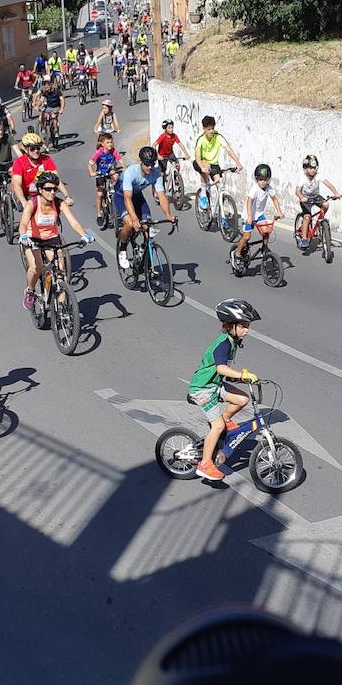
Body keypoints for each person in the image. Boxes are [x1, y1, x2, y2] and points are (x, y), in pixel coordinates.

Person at [187, 299, 262, 481]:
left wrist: (241, 377)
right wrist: (242, 375)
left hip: (215, 385)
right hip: (203, 389)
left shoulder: (232, 342)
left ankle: (226, 420)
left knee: (242, 399)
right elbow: (221, 368)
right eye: (243, 325)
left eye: (248, 326)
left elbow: (225, 374)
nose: (247, 329)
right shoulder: (224, 343)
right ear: (231, 326)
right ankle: (205, 464)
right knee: (217, 425)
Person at [19, 172, 94, 311]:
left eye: (55, 189)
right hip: (31, 238)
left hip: (51, 239)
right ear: (40, 189)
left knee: (61, 273)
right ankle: (30, 291)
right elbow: (23, 223)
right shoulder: (32, 203)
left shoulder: (59, 203)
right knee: (37, 267)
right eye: (48, 189)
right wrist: (23, 236)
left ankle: (61, 309)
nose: (52, 192)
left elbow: (74, 222)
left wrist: (84, 235)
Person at [116, 146, 177, 270]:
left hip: (137, 196)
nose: (150, 167)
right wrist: (133, 219)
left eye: (152, 164)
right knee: (129, 224)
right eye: (147, 164)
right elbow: (127, 198)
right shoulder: (130, 172)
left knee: (147, 226)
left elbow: (162, 196)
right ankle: (122, 249)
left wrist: (168, 215)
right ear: (141, 162)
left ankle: (143, 252)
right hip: (122, 197)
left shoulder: (156, 173)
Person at [231, 164, 284, 272]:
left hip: (259, 214)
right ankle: (236, 254)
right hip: (248, 215)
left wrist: (279, 212)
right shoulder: (254, 189)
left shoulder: (269, 188)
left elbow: (274, 199)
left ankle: (265, 248)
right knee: (246, 237)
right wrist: (250, 217)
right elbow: (249, 202)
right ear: (256, 179)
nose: (263, 182)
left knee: (266, 231)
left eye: (265, 179)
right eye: (260, 179)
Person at [192, 115, 244, 211]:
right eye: (209, 129)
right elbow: (197, 157)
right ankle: (203, 194)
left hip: (214, 165)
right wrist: (202, 168)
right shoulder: (201, 139)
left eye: (212, 128)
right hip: (200, 163)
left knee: (220, 186)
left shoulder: (218, 137)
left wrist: (238, 163)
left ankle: (221, 213)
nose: (211, 131)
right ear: (204, 129)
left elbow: (229, 149)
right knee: (205, 166)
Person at [11, 132, 71, 213]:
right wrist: (23, 202)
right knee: (28, 213)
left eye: (38, 148)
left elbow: (56, 179)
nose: (36, 151)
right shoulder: (19, 162)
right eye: (32, 148)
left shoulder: (47, 159)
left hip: (42, 193)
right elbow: (16, 184)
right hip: (26, 194)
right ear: (26, 149)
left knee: (57, 209)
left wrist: (67, 196)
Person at [293, 154, 342, 251]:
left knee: (326, 204)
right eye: (310, 168)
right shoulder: (302, 178)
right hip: (306, 199)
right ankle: (303, 239)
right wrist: (302, 197)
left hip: (315, 197)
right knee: (307, 217)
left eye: (314, 168)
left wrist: (336, 193)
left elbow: (328, 184)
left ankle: (320, 221)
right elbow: (297, 191)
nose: (313, 170)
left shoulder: (318, 175)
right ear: (305, 168)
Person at [87, 132, 124, 225]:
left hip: (109, 170)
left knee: (116, 176)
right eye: (107, 142)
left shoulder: (114, 151)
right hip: (100, 173)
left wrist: (125, 168)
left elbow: (121, 161)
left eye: (111, 142)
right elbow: (89, 164)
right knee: (100, 194)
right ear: (102, 144)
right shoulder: (99, 152)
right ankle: (99, 214)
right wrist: (91, 172)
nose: (110, 144)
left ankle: (116, 194)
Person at [38, 78, 65, 143]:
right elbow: (41, 100)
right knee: (42, 116)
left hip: (56, 107)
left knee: (53, 117)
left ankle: (56, 131)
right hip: (49, 107)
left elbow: (62, 100)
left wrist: (61, 109)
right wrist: (38, 105)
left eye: (47, 87)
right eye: (45, 87)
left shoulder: (57, 91)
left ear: (51, 86)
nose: (46, 88)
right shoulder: (45, 92)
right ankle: (44, 128)